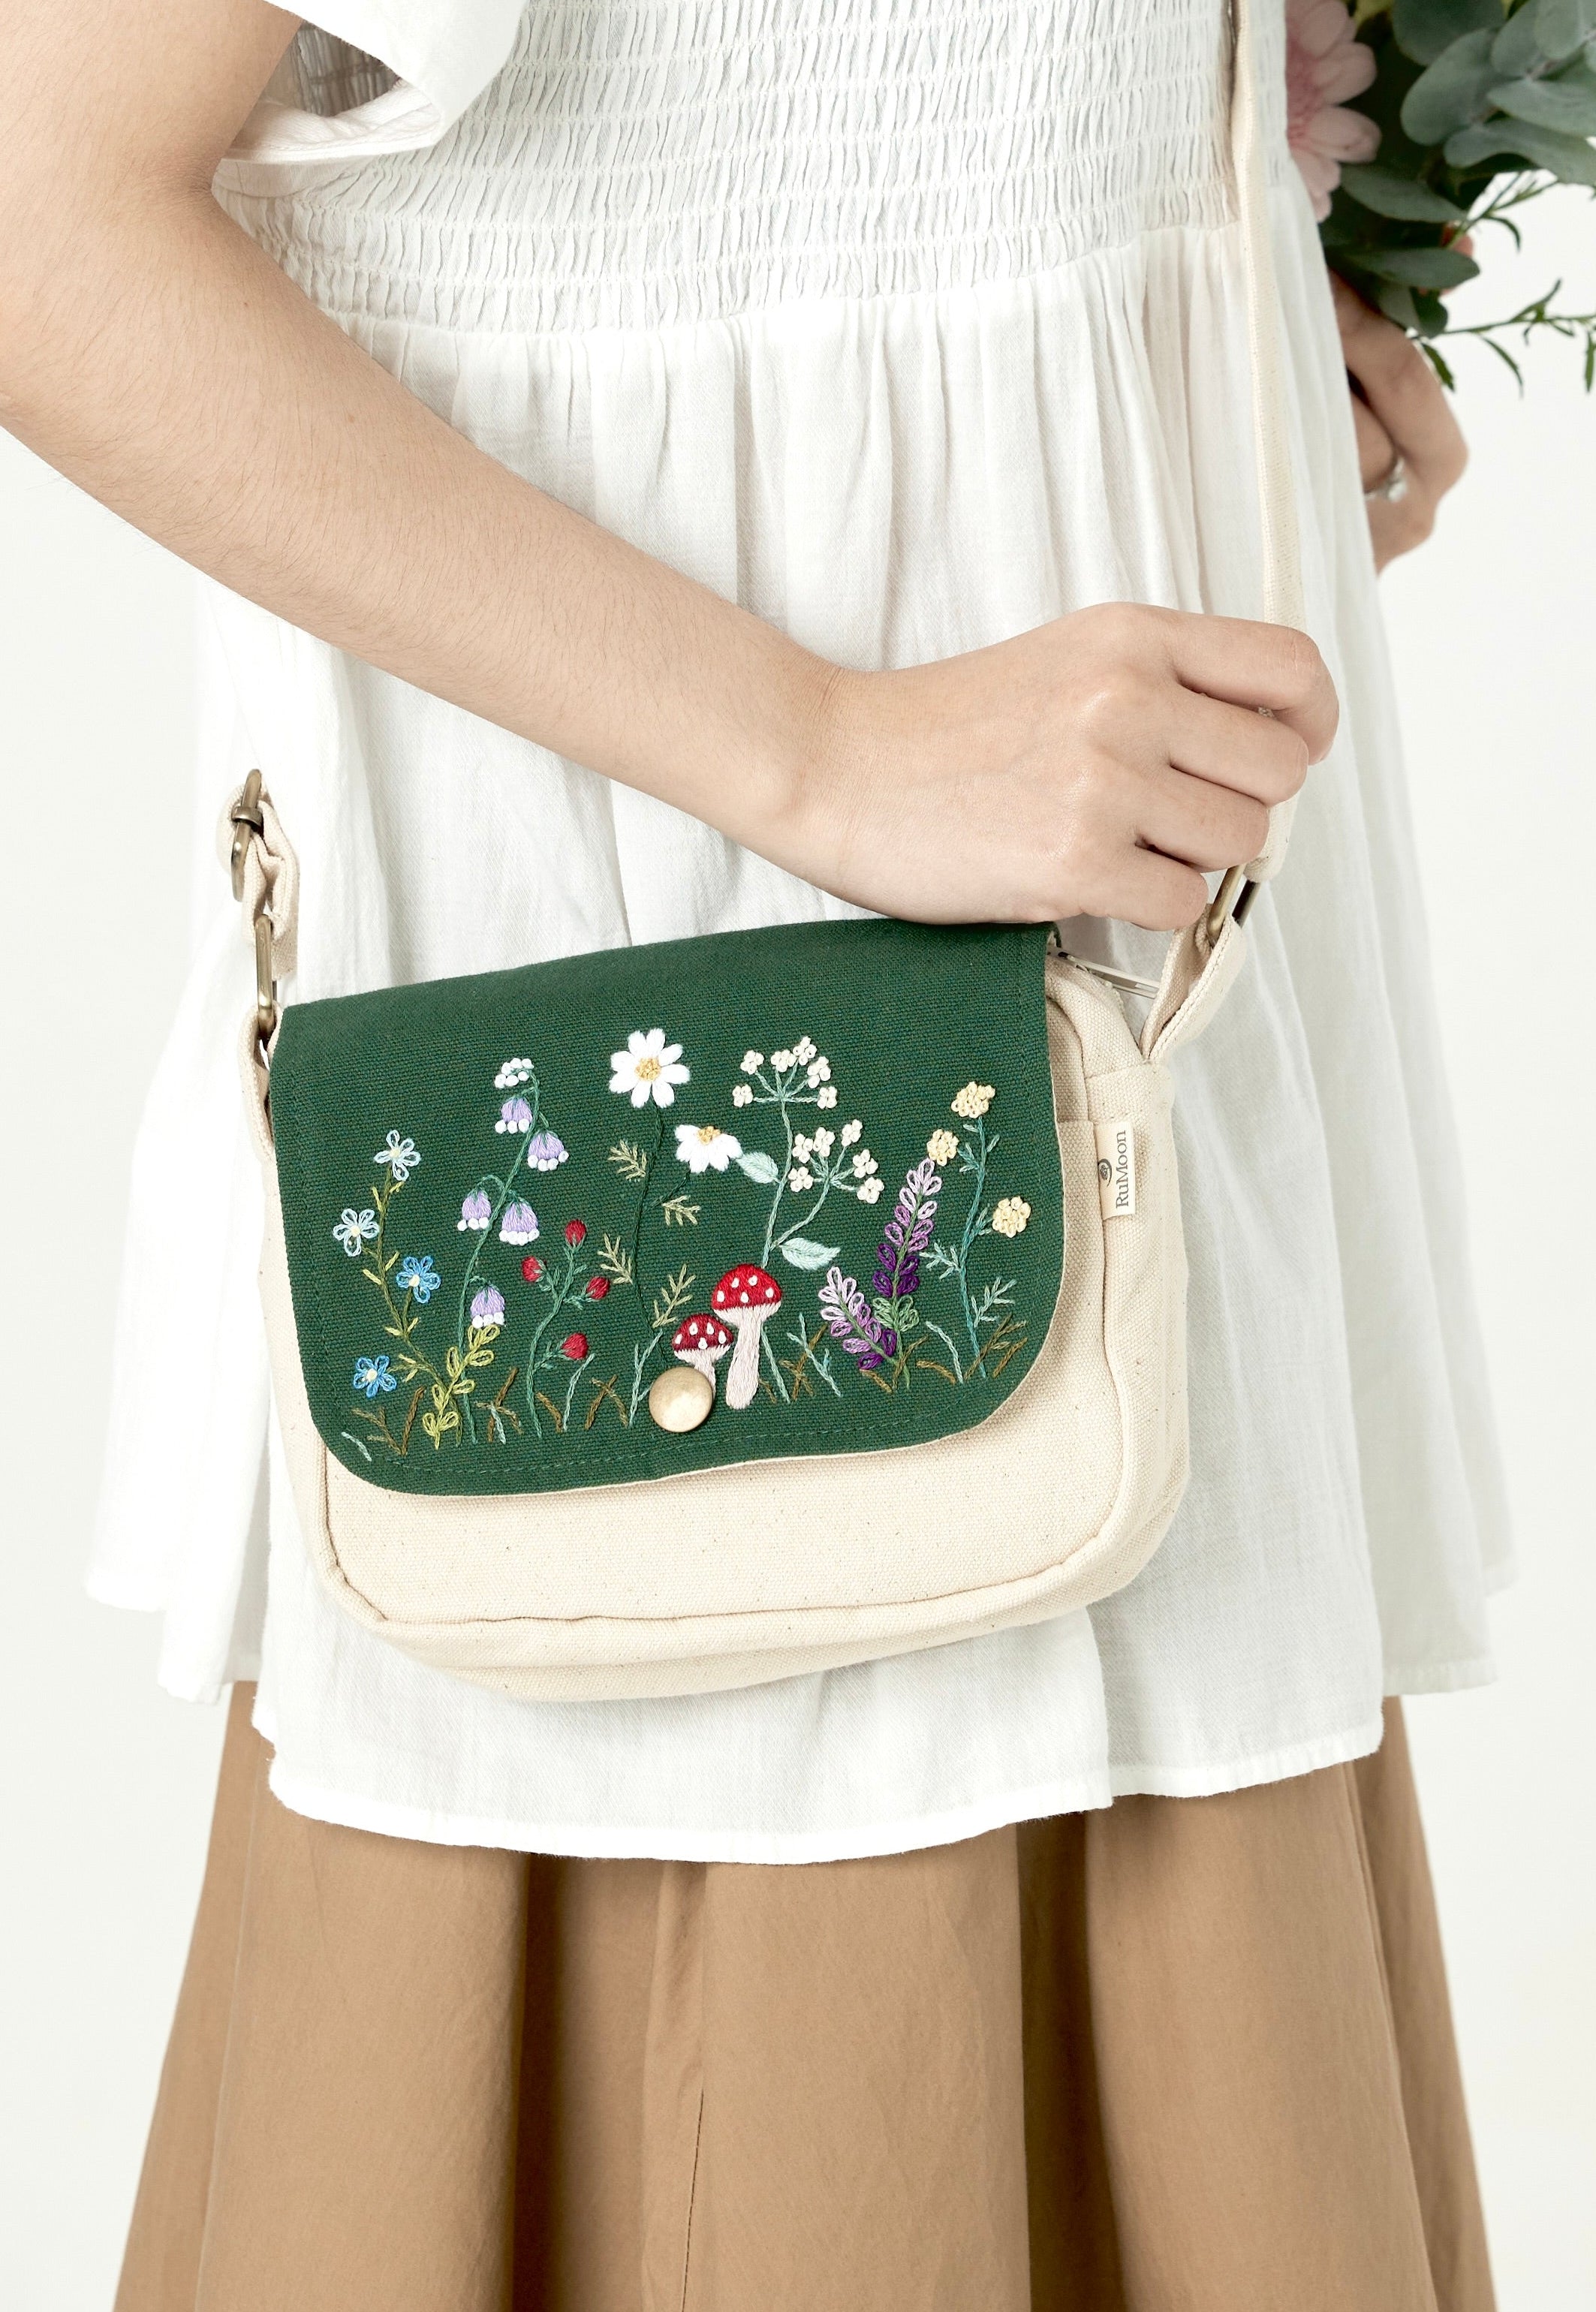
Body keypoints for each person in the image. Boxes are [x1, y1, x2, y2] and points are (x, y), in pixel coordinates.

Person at [0, 2, 1502, 2306]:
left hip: (1120, 1155)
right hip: (721, 1140)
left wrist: (1201, 337)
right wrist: (823, 752)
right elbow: (34, 210)